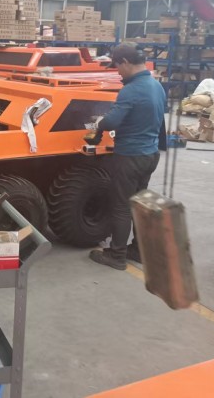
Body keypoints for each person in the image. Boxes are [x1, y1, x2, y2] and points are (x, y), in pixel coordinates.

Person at [86, 42, 166, 271]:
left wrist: (99, 124)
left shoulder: (131, 90)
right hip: (150, 155)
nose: (117, 72)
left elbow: (112, 121)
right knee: (139, 204)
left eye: (117, 67)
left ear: (125, 62)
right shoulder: (156, 85)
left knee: (121, 206)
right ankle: (138, 251)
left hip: (130, 156)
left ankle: (117, 255)